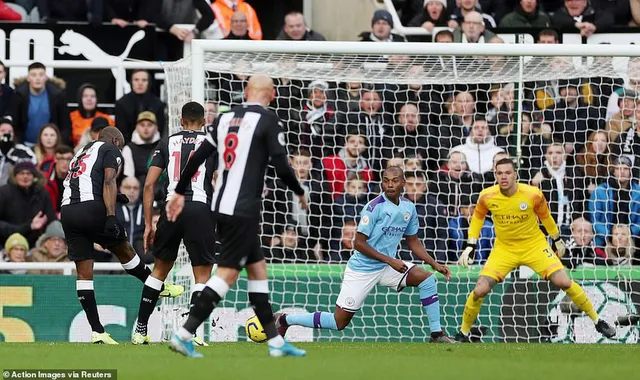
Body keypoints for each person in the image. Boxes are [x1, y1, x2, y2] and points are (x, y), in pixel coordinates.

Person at [166, 75, 307, 358]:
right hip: (243, 209)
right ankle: (184, 334)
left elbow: (197, 157)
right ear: (273, 94)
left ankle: (275, 343)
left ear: (245, 91)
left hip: (221, 205)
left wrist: (180, 191)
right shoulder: (268, 120)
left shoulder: (223, 118)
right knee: (227, 275)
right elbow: (281, 163)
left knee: (257, 271)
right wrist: (299, 191)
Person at [275, 166, 454, 342]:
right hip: (363, 268)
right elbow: (358, 244)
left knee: (427, 279)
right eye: (386, 181)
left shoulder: (409, 208)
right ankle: (285, 320)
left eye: (394, 181)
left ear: (403, 184)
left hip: (386, 266)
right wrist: (389, 260)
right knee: (338, 322)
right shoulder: (374, 207)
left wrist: (434, 263)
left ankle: (436, 334)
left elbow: (413, 240)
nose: (390, 185)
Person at [454, 158, 616, 342]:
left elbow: (546, 217)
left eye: (508, 173)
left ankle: (597, 320)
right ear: (495, 175)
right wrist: (470, 245)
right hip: (504, 249)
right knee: (480, 290)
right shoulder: (487, 196)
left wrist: (557, 240)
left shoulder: (532, 194)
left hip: (534, 246)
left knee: (563, 281)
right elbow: (477, 219)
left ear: (515, 174)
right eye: (500, 173)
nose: (504, 176)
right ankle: (463, 333)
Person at [59, 127, 183, 344]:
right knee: (123, 247)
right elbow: (108, 181)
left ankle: (97, 331)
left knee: (84, 273)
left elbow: (84, 183)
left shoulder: (80, 152)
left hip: (68, 211)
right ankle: (157, 286)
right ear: (116, 140)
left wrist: (117, 197)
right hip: (92, 210)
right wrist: (110, 216)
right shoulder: (110, 148)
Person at [132, 102, 216, 346]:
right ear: (204, 122)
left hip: (171, 208)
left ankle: (140, 329)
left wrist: (148, 224)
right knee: (202, 274)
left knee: (159, 270)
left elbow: (148, 185)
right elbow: (218, 181)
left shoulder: (167, 142)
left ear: (181, 121)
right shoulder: (213, 143)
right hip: (200, 207)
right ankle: (192, 332)